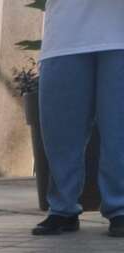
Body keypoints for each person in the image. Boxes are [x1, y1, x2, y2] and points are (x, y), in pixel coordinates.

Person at [32, 0, 124, 237]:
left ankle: (120, 207)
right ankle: (62, 208)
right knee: (60, 131)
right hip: (64, 35)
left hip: (119, 35)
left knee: (119, 132)